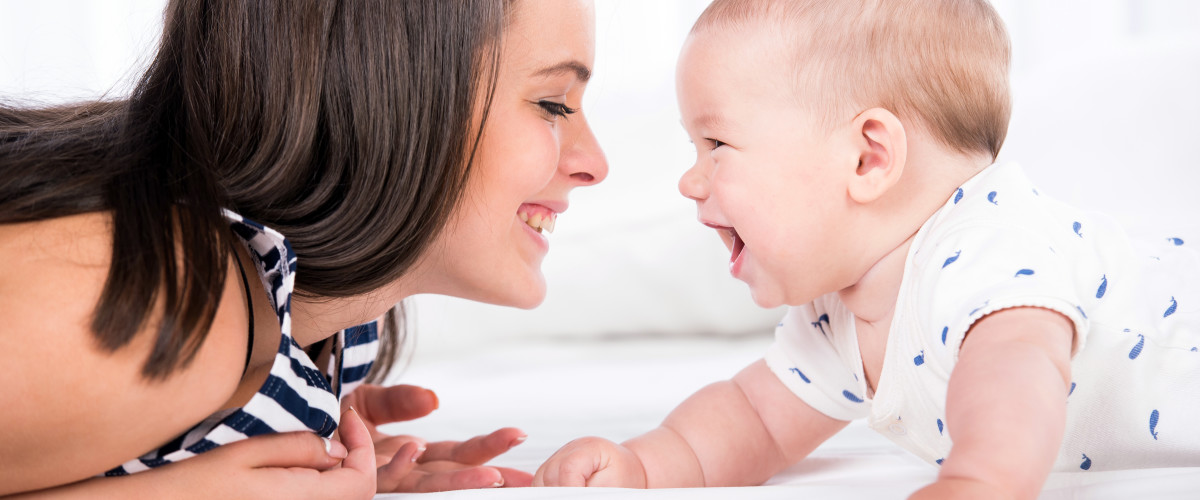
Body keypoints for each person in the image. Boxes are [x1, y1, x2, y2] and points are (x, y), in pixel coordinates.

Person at [533, 0, 1200, 497]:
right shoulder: (839, 312)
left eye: (716, 145)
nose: (690, 179)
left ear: (867, 158)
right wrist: (645, 466)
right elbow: (755, 419)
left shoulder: (986, 248)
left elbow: (1016, 374)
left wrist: (981, 480)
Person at [0, 0, 606, 497]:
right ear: (386, 96)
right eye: (553, 105)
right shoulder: (174, 297)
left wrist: (303, 432)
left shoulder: (333, 325)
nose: (595, 164)